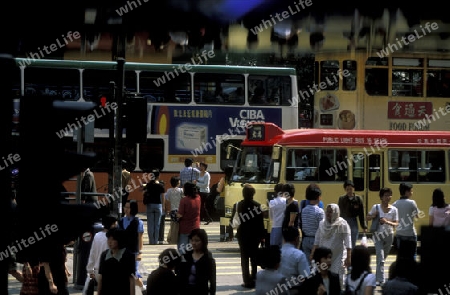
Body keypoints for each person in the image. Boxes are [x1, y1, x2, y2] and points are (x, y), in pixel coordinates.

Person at [311, 203, 352, 289]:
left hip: (338, 256)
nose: (328, 214)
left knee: (339, 278)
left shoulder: (342, 224)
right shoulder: (322, 224)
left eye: (331, 212)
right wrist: (313, 253)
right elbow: (317, 240)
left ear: (336, 213)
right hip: (323, 257)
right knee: (323, 277)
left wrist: (348, 257)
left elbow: (348, 242)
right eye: (327, 212)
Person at [232, 183, 265, 289]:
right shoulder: (258, 206)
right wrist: (262, 236)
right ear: (253, 194)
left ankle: (246, 281)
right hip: (255, 236)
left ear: (243, 194)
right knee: (254, 259)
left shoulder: (238, 205)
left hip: (242, 235)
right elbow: (261, 223)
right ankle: (254, 279)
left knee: (244, 259)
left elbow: (233, 221)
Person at [366, 187, 398, 286]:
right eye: (385, 195)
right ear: (381, 197)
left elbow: (396, 223)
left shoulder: (394, 209)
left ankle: (377, 276)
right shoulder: (376, 207)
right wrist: (373, 216)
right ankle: (381, 280)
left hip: (389, 235)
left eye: (389, 195)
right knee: (381, 257)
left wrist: (387, 221)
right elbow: (367, 218)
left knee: (383, 257)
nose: (388, 197)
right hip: (377, 235)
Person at [83, 214, 118, 294]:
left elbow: (92, 253)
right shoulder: (113, 238)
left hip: (97, 270)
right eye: (115, 223)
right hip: (109, 270)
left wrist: (90, 270)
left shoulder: (97, 236)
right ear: (112, 224)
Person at [97, 228, 136, 295]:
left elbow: (131, 278)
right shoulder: (104, 255)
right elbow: (101, 277)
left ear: (119, 240)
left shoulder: (127, 255)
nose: (110, 242)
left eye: (113, 239)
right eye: (108, 239)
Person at [177, 228, 216, 295]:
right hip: (185, 290)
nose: (194, 243)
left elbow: (212, 280)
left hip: (201, 291)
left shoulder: (208, 258)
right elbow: (179, 275)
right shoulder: (186, 256)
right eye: (192, 240)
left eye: (197, 241)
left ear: (203, 242)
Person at [118, 200, 144, 286]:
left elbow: (140, 238)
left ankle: (143, 288)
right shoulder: (121, 221)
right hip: (121, 252)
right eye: (125, 207)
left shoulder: (138, 222)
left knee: (133, 273)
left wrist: (140, 252)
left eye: (128, 207)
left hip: (133, 252)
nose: (126, 209)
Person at [392, 183, 421, 260]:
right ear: (406, 192)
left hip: (399, 233)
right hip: (410, 233)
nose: (412, 193)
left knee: (400, 255)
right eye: (411, 191)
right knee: (412, 255)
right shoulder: (412, 203)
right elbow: (417, 216)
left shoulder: (395, 204)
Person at [278, 226, 310, 294]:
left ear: (283, 239)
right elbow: (305, 277)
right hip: (293, 290)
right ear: (297, 239)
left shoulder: (276, 253)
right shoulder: (299, 255)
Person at [338, 180, 367, 249]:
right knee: (344, 241)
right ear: (345, 189)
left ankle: (351, 256)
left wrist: (364, 226)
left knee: (353, 240)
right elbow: (339, 212)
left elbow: (361, 213)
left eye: (351, 189)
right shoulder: (342, 199)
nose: (349, 191)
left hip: (353, 221)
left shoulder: (358, 199)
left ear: (354, 189)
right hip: (344, 221)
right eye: (347, 189)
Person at [300, 183, 325, 266]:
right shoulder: (319, 211)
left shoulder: (303, 210)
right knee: (317, 265)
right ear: (319, 197)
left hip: (305, 240)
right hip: (316, 241)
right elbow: (322, 228)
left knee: (307, 265)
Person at [142, 170, 165, 245]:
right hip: (158, 205)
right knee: (157, 224)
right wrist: (163, 206)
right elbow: (162, 197)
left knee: (150, 224)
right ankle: (155, 241)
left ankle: (151, 241)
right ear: (158, 176)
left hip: (150, 205)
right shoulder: (161, 185)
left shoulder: (149, 185)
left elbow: (142, 191)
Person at [177, 182, 201, 251]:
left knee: (183, 249)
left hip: (185, 227)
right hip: (196, 226)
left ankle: (183, 261)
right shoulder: (198, 198)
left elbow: (180, 214)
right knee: (193, 248)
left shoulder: (184, 200)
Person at [165, 175, 184, 245]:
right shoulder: (181, 190)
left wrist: (167, 210)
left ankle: (172, 238)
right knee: (179, 226)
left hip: (172, 211)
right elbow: (183, 198)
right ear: (177, 182)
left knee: (173, 226)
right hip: (179, 210)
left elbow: (167, 200)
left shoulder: (169, 191)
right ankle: (176, 239)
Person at [269, 183, 286, 248]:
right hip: (284, 227)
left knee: (274, 248)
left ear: (275, 191)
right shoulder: (286, 201)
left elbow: (271, 216)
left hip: (275, 226)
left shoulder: (272, 202)